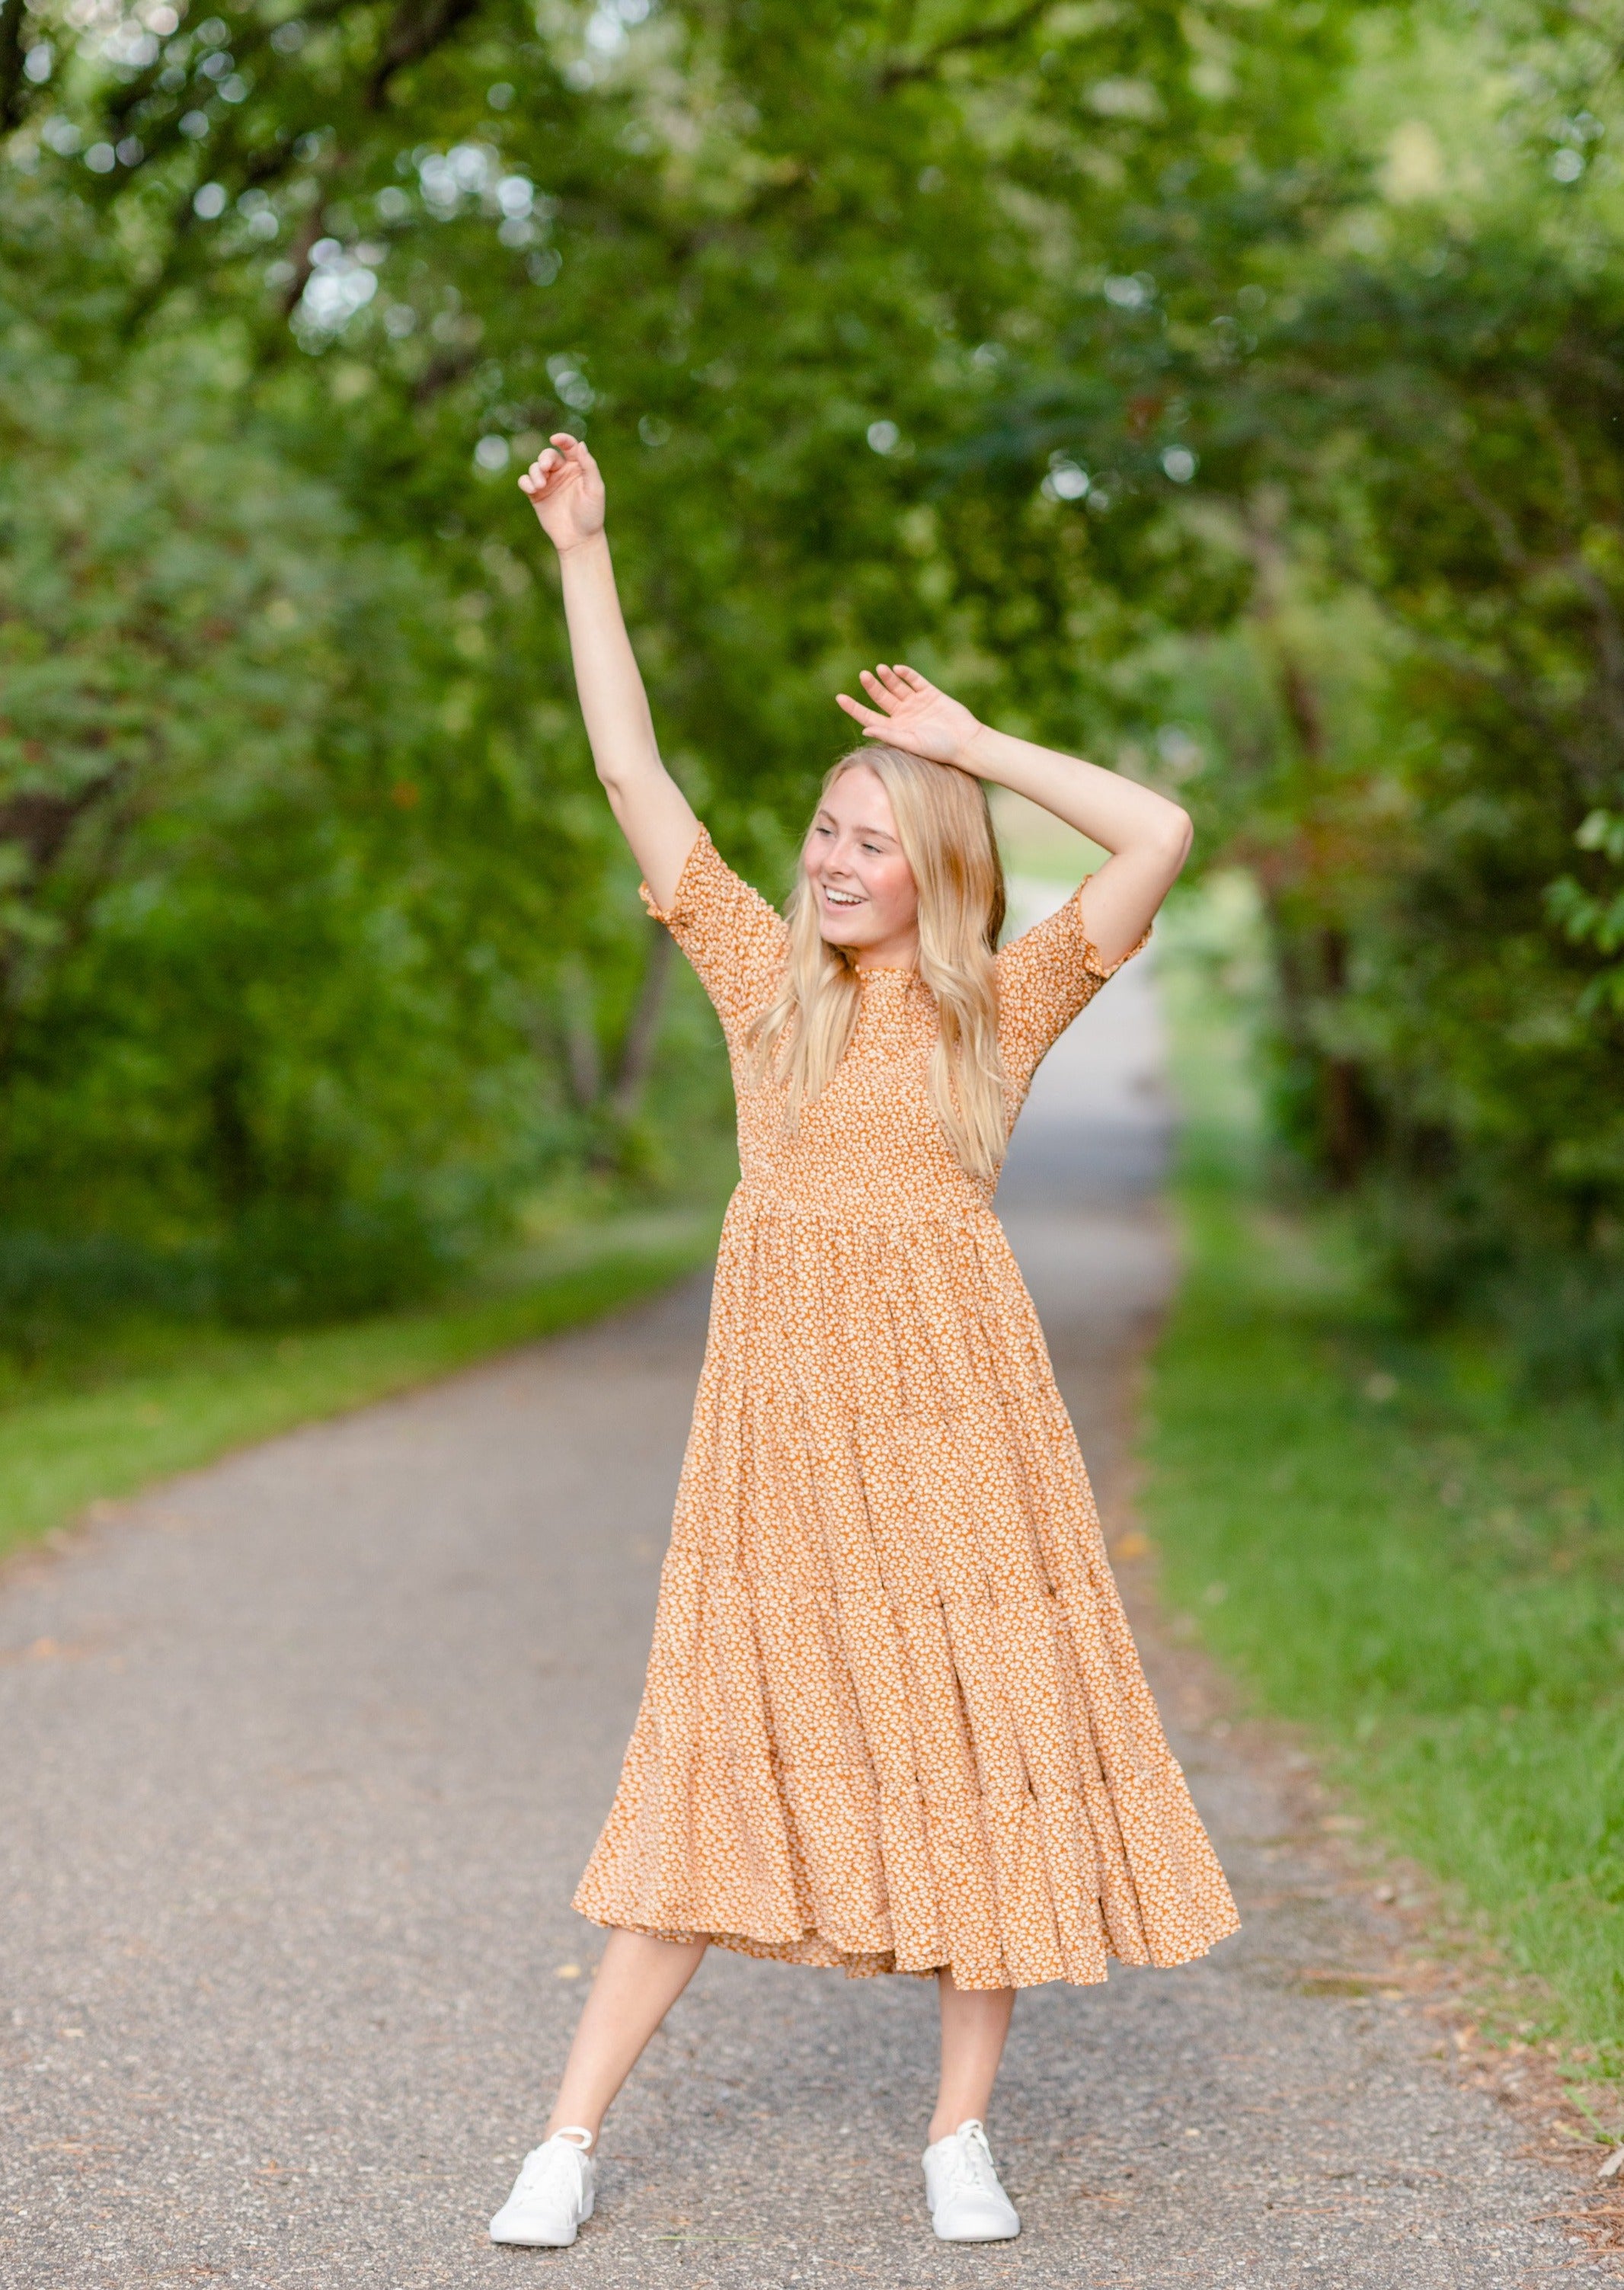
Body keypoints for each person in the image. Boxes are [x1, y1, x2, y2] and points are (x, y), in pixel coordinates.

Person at [489, 433, 1239, 2252]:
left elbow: (1159, 835)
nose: (834, 861)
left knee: (974, 1751)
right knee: (710, 1752)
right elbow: (625, 765)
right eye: (827, 829)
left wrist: (969, 750)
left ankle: (956, 2136)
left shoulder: (1004, 1006)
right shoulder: (762, 987)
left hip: (963, 1432)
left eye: (873, 842)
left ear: (935, 871)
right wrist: (585, 554)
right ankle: (567, 2141)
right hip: (782, 1437)